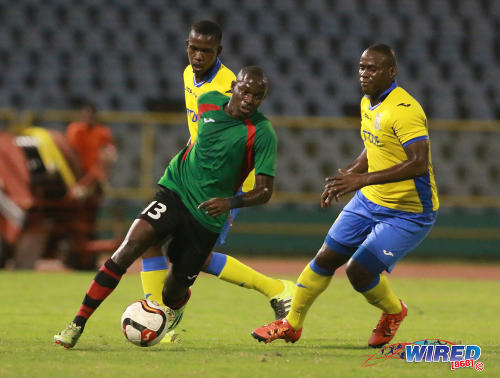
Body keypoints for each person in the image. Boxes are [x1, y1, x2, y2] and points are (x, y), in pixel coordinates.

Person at [54, 66, 280, 349]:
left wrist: (230, 203)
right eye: (245, 91)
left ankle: (172, 305)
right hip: (175, 190)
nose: (249, 99)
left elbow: (265, 191)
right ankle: (77, 324)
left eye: (257, 96)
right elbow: (196, 139)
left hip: (207, 214)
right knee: (130, 246)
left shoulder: (262, 132)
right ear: (234, 86)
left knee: (174, 291)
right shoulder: (207, 101)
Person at [251, 44, 439, 348]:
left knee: (358, 272)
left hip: (409, 211)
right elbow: (374, 146)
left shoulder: (405, 110)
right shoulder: (369, 102)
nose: (364, 74)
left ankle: (393, 311)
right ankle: (291, 324)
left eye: (373, 68)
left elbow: (418, 163)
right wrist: (346, 177)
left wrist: (360, 180)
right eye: (362, 67)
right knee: (325, 258)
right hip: (370, 200)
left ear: (392, 72)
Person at [139, 20, 293, 333]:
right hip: (193, 176)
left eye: (205, 51)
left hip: (221, 183)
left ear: (218, 52)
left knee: (195, 257)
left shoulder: (227, 85)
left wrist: (231, 198)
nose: (197, 56)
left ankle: (275, 288)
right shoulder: (187, 75)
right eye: (193, 48)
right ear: (186, 46)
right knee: (152, 243)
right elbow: (199, 131)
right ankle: (157, 313)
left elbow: (236, 142)